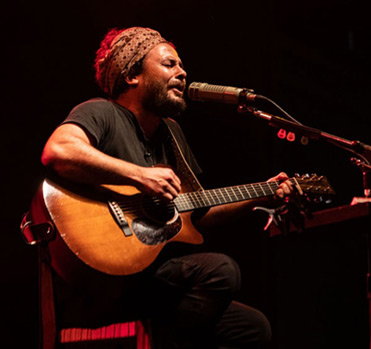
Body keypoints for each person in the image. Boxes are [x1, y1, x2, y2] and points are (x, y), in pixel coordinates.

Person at [40, 26, 294, 348]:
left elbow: (197, 212)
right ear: (133, 75)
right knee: (220, 271)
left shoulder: (171, 134)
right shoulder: (101, 112)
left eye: (181, 65)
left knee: (251, 327)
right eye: (169, 64)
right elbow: (58, 151)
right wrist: (139, 175)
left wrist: (264, 191)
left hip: (148, 282)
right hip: (104, 285)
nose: (182, 72)